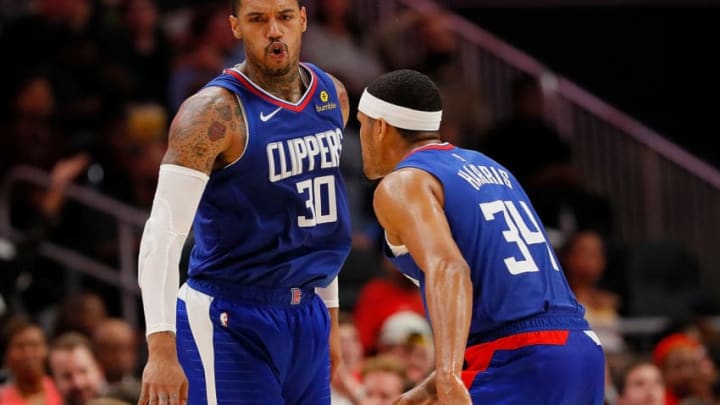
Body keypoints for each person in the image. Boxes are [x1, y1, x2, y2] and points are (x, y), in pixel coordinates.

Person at [137, 0, 352, 404]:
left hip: (306, 312)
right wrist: (161, 348)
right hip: (230, 315)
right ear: (235, 27)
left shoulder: (331, 96)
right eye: (258, 19)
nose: (274, 30)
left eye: (285, 17)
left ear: (303, 20)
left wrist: (331, 321)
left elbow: (318, 223)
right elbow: (161, 235)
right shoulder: (212, 113)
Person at [355, 69, 605, 404]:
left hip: (519, 358)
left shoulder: (403, 183)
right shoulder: (490, 168)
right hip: (579, 350)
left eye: (361, 123)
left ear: (381, 127)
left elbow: (450, 269)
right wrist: (433, 383)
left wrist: (447, 375)